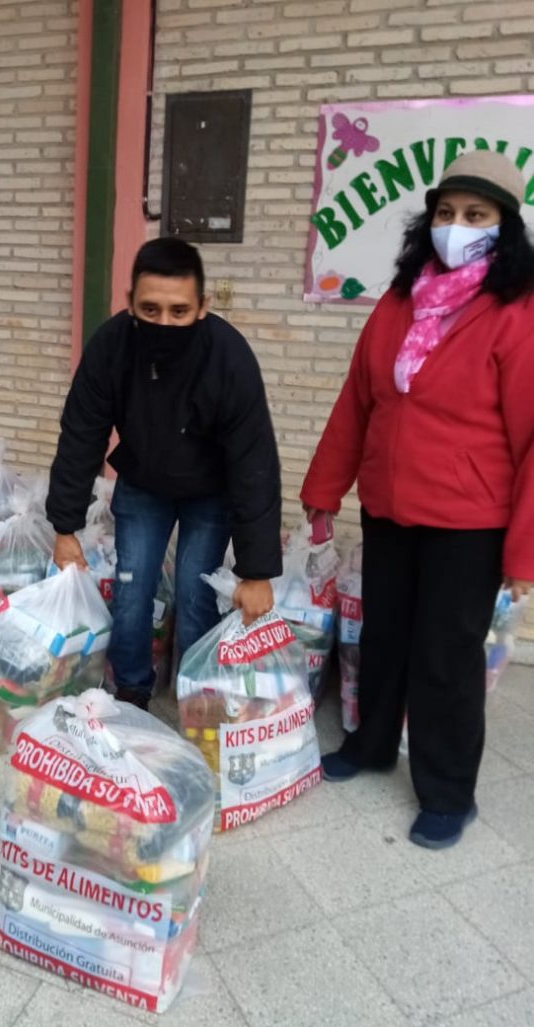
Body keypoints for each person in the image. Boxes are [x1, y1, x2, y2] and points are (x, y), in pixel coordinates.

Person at [301, 150, 534, 849]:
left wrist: (522, 556)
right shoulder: (399, 302)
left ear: (505, 226)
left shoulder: (517, 313)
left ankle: (447, 792)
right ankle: (370, 745)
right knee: (383, 636)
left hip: (469, 521)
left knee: (445, 657)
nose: (456, 226)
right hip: (390, 507)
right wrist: (324, 490)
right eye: (446, 212)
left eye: (476, 215)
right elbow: (358, 402)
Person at [46, 237, 282, 709]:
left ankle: (192, 692)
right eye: (150, 310)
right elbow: (81, 435)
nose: (164, 323)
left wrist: (257, 571)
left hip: (210, 492)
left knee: (196, 594)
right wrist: (65, 526)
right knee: (132, 591)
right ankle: (132, 689)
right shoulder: (111, 347)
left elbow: (253, 462)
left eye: (179, 311)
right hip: (142, 485)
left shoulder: (229, 357)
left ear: (202, 307)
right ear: (130, 302)